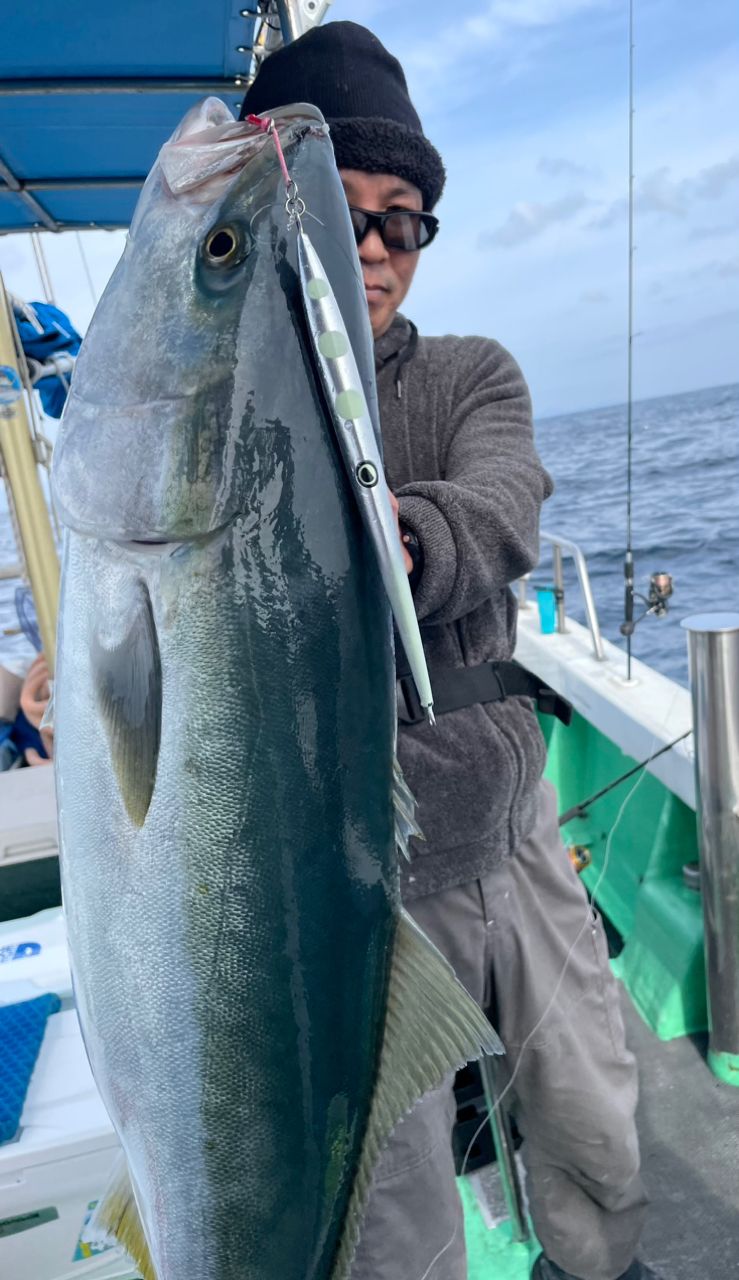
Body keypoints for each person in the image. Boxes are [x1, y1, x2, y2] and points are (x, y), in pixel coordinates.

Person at [241, 23, 660, 1280]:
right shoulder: (242, 399)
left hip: (515, 833)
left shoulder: (474, 373)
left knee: (595, 1115)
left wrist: (396, 547)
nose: (373, 248)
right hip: (359, 880)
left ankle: (593, 1262)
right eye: (344, 211)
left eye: (403, 220)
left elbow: (499, 502)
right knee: (391, 1202)